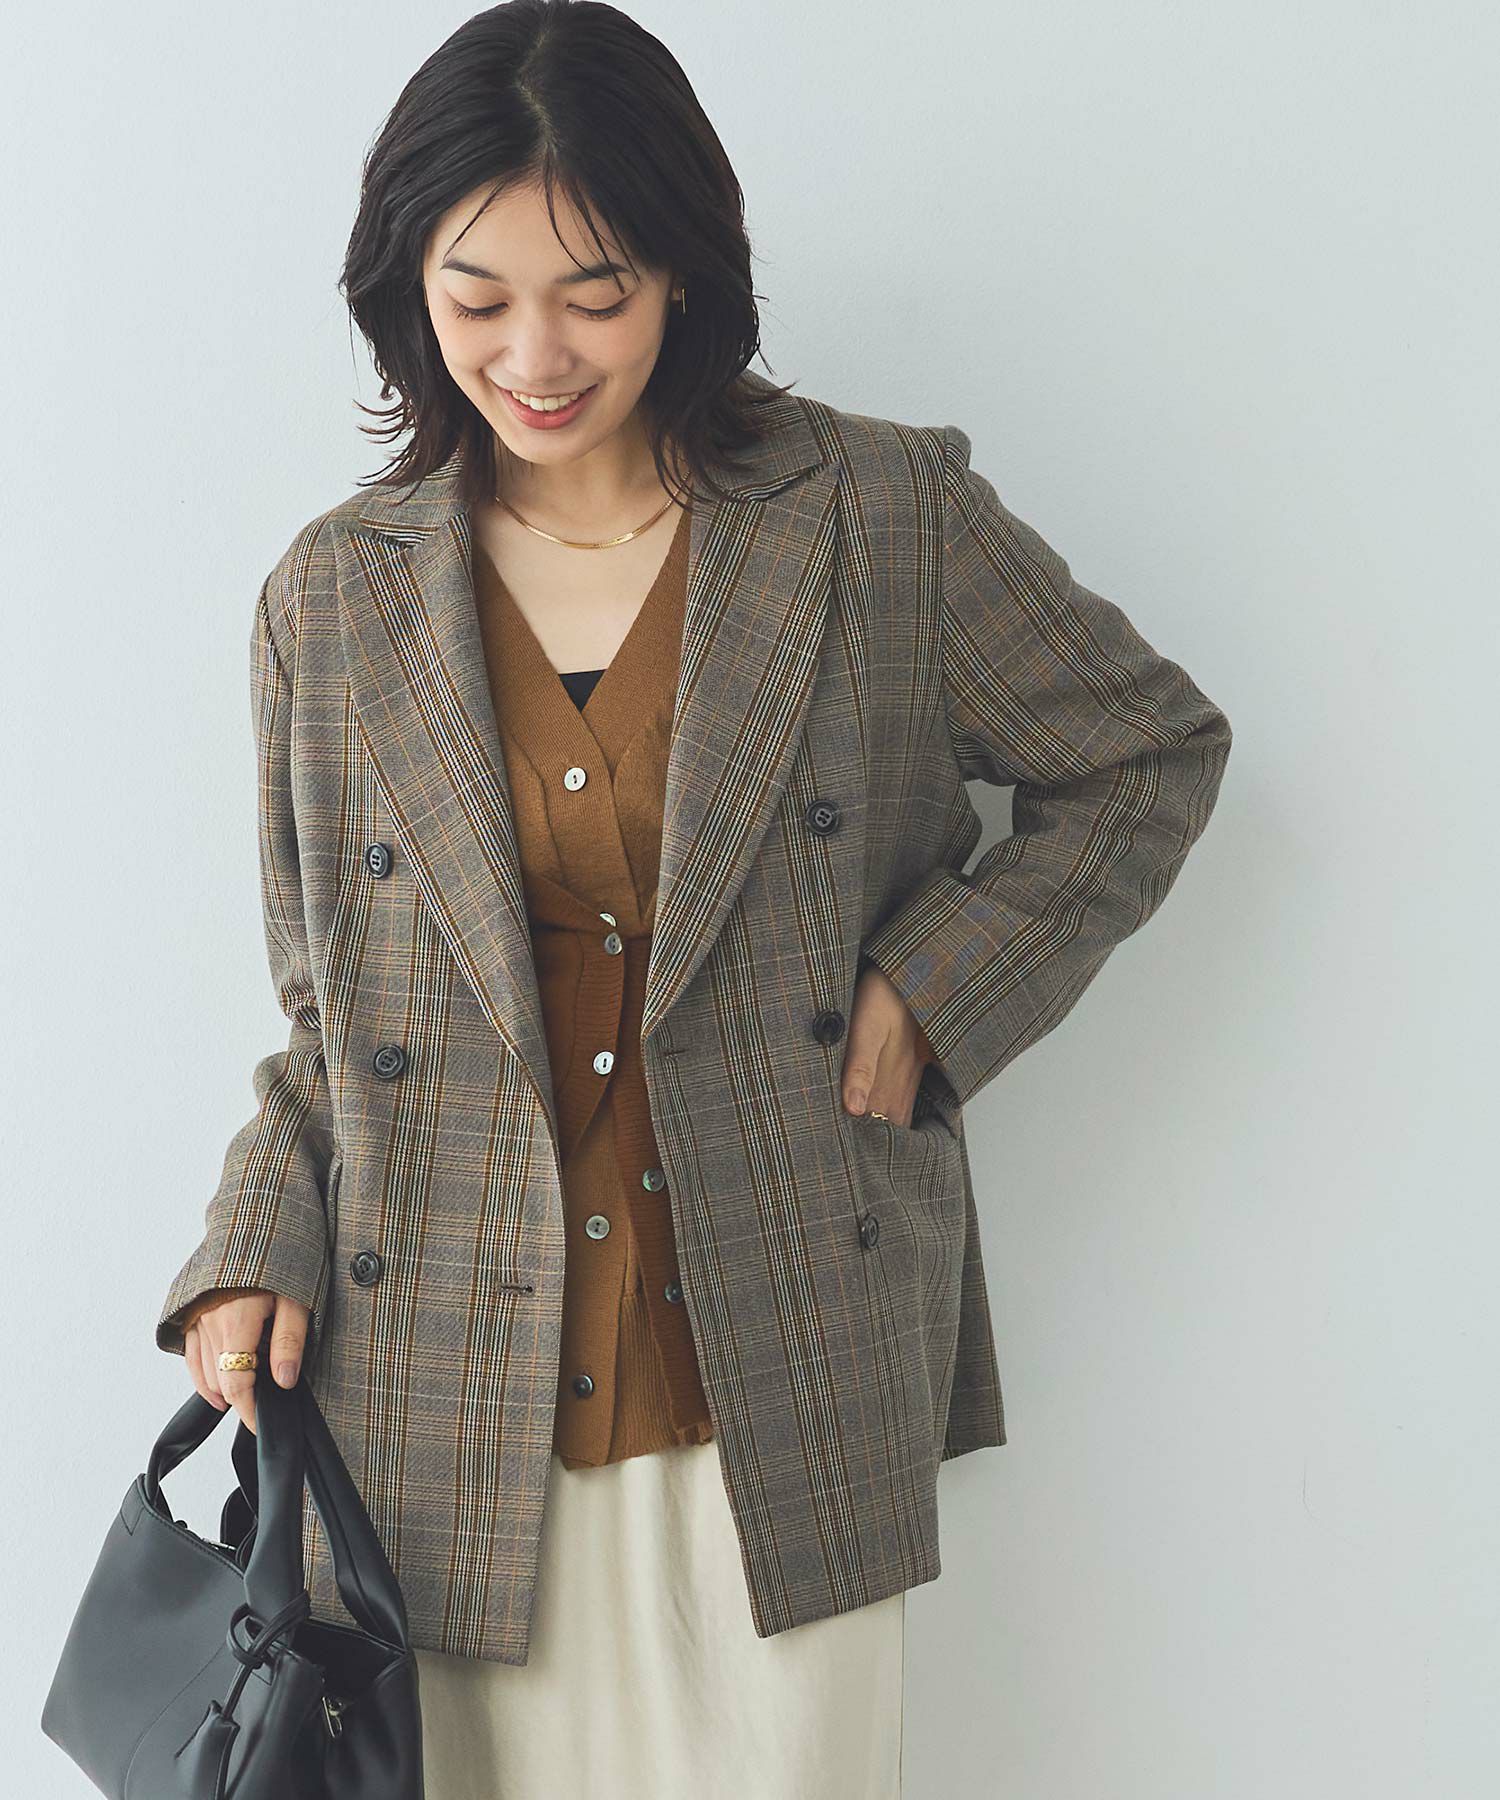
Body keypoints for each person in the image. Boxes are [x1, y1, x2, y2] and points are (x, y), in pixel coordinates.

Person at [157, 4, 1232, 1795]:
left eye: (595, 292)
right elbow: (327, 1019)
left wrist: (939, 984)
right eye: (476, 296)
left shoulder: (878, 516)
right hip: (438, 1378)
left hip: (782, 1355)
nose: (535, 355)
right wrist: (250, 1242)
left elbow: (1146, 754)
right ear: (407, 290)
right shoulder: (332, 601)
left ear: (684, 269)